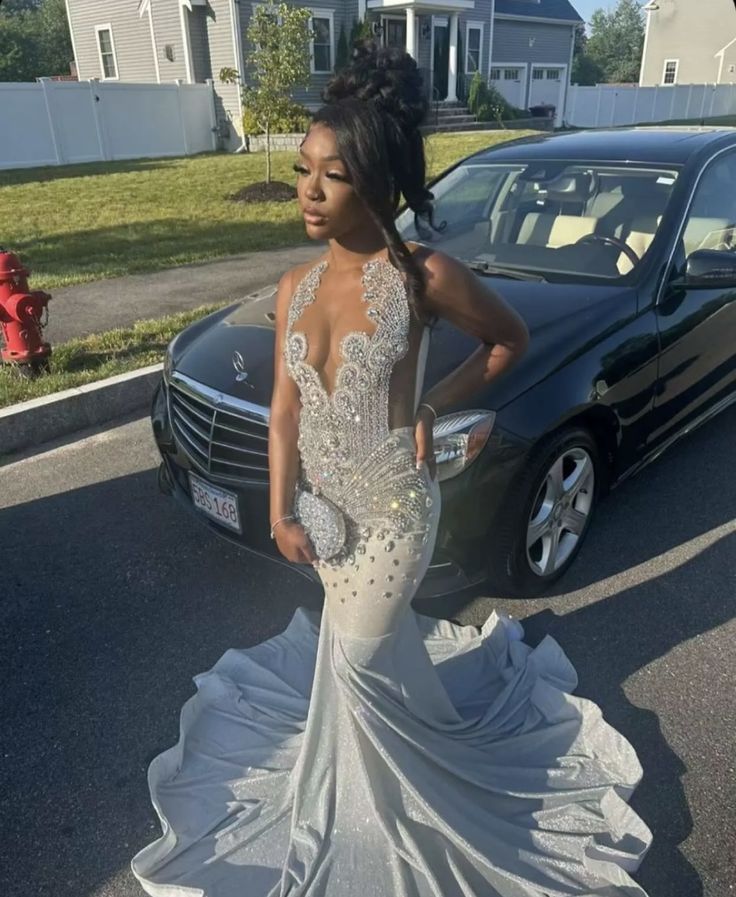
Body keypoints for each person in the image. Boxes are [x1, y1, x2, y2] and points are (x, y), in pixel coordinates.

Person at [131, 41, 652, 897]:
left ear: (376, 186)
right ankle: (400, 742)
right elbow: (287, 409)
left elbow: (508, 341)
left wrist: (433, 405)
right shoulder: (294, 288)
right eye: (302, 170)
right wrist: (281, 510)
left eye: (330, 176)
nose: (307, 190)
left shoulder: (424, 277)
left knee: (357, 658)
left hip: (395, 511)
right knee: (362, 651)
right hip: (324, 512)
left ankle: (387, 813)